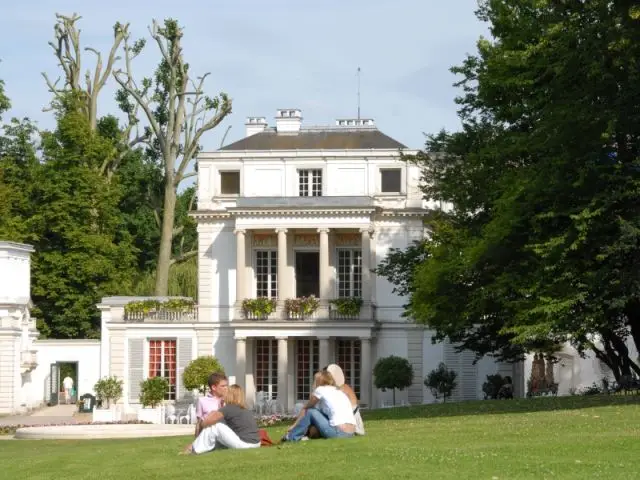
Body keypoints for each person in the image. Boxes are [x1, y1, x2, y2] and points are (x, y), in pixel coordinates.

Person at [183, 384, 261, 455]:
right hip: (256, 444)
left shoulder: (228, 408)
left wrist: (212, 413)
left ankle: (193, 449)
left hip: (246, 445)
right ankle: (197, 447)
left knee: (214, 426)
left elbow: (206, 423)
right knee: (219, 428)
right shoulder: (245, 409)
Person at [282, 370, 356, 442]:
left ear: (319, 381)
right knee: (316, 415)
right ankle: (306, 434)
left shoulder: (320, 390)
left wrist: (293, 426)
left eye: (315, 380)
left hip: (338, 432)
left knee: (310, 411)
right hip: (351, 433)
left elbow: (306, 409)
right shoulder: (338, 391)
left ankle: (292, 437)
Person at [194, 372, 228, 437]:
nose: (226, 388)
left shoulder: (229, 400)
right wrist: (196, 441)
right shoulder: (202, 401)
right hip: (208, 436)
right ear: (214, 387)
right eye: (223, 386)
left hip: (225, 435)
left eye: (226, 385)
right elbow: (199, 423)